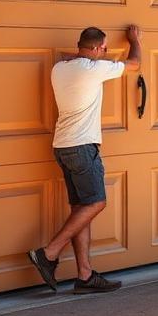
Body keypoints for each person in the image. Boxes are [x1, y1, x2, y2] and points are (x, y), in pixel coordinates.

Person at [28, 25, 142, 294]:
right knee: (97, 202)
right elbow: (135, 63)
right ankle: (48, 253)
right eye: (103, 48)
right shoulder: (94, 70)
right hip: (81, 148)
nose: (105, 52)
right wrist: (134, 40)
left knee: (82, 209)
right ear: (94, 49)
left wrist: (89, 53)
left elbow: (73, 56)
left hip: (63, 146)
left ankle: (85, 276)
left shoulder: (61, 68)